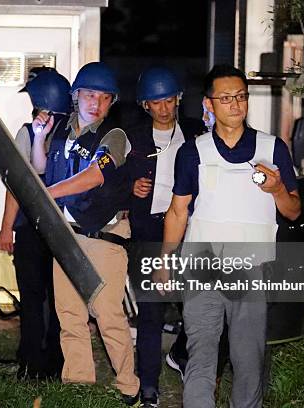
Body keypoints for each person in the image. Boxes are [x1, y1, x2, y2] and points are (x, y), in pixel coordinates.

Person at [163, 64, 301, 407]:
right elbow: (178, 212)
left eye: (241, 96)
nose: (235, 104)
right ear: (209, 104)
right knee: (202, 354)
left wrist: (278, 187)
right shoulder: (193, 152)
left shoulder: (272, 149)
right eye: (226, 98)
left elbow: (293, 211)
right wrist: (164, 262)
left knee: (248, 360)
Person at [44, 62, 140, 405]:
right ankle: (79, 385)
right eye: (89, 94)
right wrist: (40, 137)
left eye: (103, 97)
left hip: (105, 235)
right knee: (69, 315)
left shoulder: (115, 136)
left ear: (111, 102)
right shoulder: (60, 133)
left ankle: (130, 388)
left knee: (109, 316)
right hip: (67, 234)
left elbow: (94, 177)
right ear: (76, 96)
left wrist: (48, 194)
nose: (95, 103)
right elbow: (40, 169)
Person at [125, 66, 205, 407]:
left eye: (169, 100)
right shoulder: (132, 136)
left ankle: (183, 354)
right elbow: (109, 179)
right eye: (156, 102)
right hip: (147, 228)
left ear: (179, 100)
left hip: (190, 226)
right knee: (151, 308)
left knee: (199, 303)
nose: (164, 108)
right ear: (145, 105)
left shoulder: (196, 132)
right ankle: (148, 387)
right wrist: (130, 188)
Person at [0, 68, 71, 379]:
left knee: (38, 297)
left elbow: (17, 185)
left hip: (37, 228)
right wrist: (7, 228)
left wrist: (7, 228)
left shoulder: (32, 133)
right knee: (52, 299)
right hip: (53, 229)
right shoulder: (65, 134)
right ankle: (45, 364)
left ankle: (35, 364)